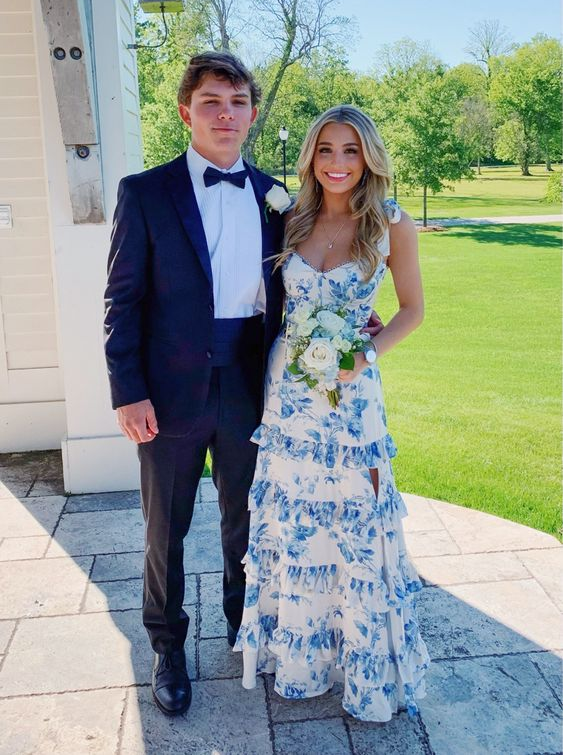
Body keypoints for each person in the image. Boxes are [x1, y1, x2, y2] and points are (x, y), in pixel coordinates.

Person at [103, 51, 287, 716]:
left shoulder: (277, 196)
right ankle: (166, 644)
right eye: (211, 100)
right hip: (169, 386)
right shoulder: (144, 192)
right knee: (165, 526)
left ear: (251, 113)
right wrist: (127, 388)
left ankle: (244, 626)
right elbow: (121, 299)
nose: (225, 113)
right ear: (186, 111)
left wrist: (352, 315)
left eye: (237, 102)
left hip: (248, 379)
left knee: (246, 517)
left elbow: (295, 284)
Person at [234, 105, 431, 721]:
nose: (338, 163)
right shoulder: (290, 218)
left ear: (368, 157)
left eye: (350, 151)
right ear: (311, 158)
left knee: (356, 520)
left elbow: (412, 311)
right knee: (297, 522)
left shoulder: (390, 225)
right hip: (288, 398)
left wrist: (363, 352)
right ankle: (300, 658)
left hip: (352, 400)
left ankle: (363, 668)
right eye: (326, 150)